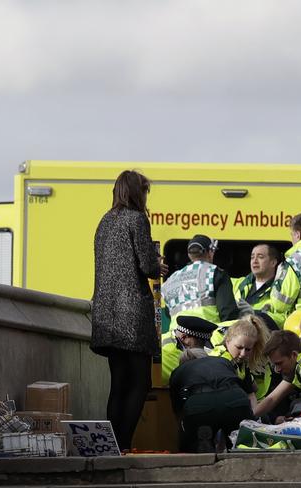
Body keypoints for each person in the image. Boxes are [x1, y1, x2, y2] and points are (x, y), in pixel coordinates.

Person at [90, 169, 167, 451]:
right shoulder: (137, 219)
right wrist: (158, 264)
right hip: (132, 312)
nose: (146, 196)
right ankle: (123, 444)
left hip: (106, 312)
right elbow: (147, 266)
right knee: (141, 382)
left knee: (118, 383)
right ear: (138, 192)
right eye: (145, 191)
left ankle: (111, 447)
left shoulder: (104, 221)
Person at [169, 348, 255, 453]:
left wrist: (187, 430)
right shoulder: (222, 361)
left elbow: (178, 409)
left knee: (190, 445)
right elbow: (237, 382)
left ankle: (201, 442)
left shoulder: (179, 370)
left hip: (199, 403)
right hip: (235, 397)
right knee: (241, 444)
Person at [161, 234, 238, 330]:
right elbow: (227, 312)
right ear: (211, 252)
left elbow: (168, 313)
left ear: (189, 255)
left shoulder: (171, 280)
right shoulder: (215, 273)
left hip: (177, 338)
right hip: (206, 338)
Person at [209, 315, 270, 404]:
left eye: (248, 349)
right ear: (227, 341)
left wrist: (254, 414)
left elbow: (251, 392)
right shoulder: (220, 361)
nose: (243, 354)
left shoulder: (241, 363)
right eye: (239, 347)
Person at [232, 243, 285, 330]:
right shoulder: (239, 283)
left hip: (263, 338)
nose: (255, 261)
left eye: (260, 257)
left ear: (273, 262)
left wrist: (256, 314)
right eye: (252, 257)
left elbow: (283, 319)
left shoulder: (281, 288)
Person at [160, 315, 218, 386]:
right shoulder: (169, 352)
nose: (201, 349)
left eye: (203, 345)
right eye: (196, 346)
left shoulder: (165, 338)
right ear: (183, 337)